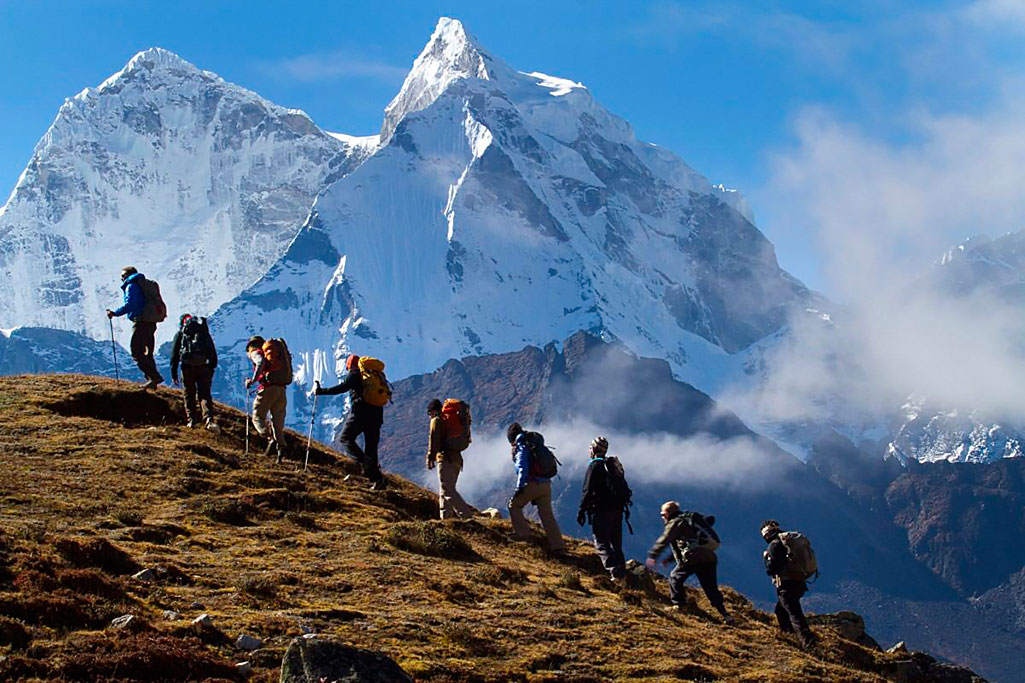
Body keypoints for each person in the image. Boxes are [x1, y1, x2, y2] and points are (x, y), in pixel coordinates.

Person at [646, 501, 733, 624]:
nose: (662, 517)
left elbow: (665, 540)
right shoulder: (690, 519)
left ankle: (679, 605)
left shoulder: (675, 522)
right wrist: (669, 559)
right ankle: (725, 614)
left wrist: (653, 555)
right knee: (710, 587)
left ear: (668, 512)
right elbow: (688, 543)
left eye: (662, 514)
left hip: (693, 557)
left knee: (675, 577)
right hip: (709, 556)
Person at [316, 354, 386, 490]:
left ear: (349, 365)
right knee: (371, 447)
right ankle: (377, 479)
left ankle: (364, 463)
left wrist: (321, 391)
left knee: (345, 438)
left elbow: (342, 387)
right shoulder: (374, 375)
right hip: (377, 415)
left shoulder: (354, 374)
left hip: (360, 414)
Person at [507, 422, 565, 553]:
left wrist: (519, 488)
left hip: (533, 483)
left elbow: (522, 467)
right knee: (547, 515)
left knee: (514, 505)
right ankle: (558, 545)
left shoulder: (521, 445)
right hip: (546, 484)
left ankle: (523, 534)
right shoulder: (534, 442)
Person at [576, 436, 628, 580]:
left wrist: (581, 510)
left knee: (601, 542)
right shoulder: (611, 466)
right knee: (616, 543)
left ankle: (614, 572)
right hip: (617, 510)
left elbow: (587, 490)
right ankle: (622, 572)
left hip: (601, 510)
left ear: (593, 449)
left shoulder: (594, 466)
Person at [761, 519, 817, 648]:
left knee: (795, 615)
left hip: (787, 585)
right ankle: (790, 637)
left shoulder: (774, 545)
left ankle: (809, 644)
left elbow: (771, 569)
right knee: (781, 611)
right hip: (800, 582)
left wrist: (766, 559)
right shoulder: (788, 542)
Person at [105, 266, 164, 389]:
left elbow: (130, 304)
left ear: (127, 275)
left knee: (136, 350)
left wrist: (115, 313)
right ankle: (152, 382)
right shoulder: (145, 284)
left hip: (141, 321)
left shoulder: (131, 285)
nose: (121, 279)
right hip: (151, 322)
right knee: (148, 352)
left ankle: (154, 377)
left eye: (122, 276)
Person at [169, 314, 219, 431]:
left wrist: (174, 373)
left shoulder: (181, 334)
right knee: (204, 394)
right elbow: (212, 350)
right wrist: (211, 367)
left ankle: (192, 420)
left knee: (189, 394)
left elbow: (174, 355)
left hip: (187, 368)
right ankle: (208, 419)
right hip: (204, 367)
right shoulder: (203, 332)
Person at [426, 398, 474, 519]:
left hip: (445, 459)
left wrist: (430, 457)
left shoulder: (436, 420)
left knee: (447, 490)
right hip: (457, 460)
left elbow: (434, 440)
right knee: (445, 489)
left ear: (432, 411)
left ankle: (467, 517)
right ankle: (446, 518)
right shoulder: (448, 420)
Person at [245, 336, 286, 462]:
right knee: (277, 423)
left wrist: (253, 380)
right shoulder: (274, 356)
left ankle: (270, 439)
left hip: (268, 389)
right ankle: (280, 451)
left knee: (257, 417)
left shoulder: (256, 352)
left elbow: (260, 363)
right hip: (281, 390)